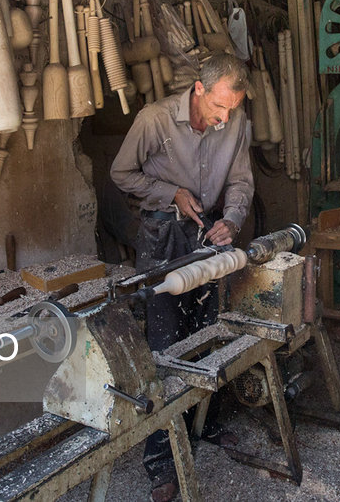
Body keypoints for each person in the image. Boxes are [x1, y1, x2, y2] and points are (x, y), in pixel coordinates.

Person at [110, 54, 253, 502]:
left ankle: (201, 423)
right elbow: (121, 173)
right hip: (161, 234)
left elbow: (242, 181)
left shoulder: (235, 119)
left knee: (207, 331)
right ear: (198, 88)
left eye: (231, 110)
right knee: (165, 343)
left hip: (207, 231)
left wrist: (231, 219)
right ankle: (160, 459)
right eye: (218, 108)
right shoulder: (154, 121)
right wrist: (170, 192)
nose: (224, 118)